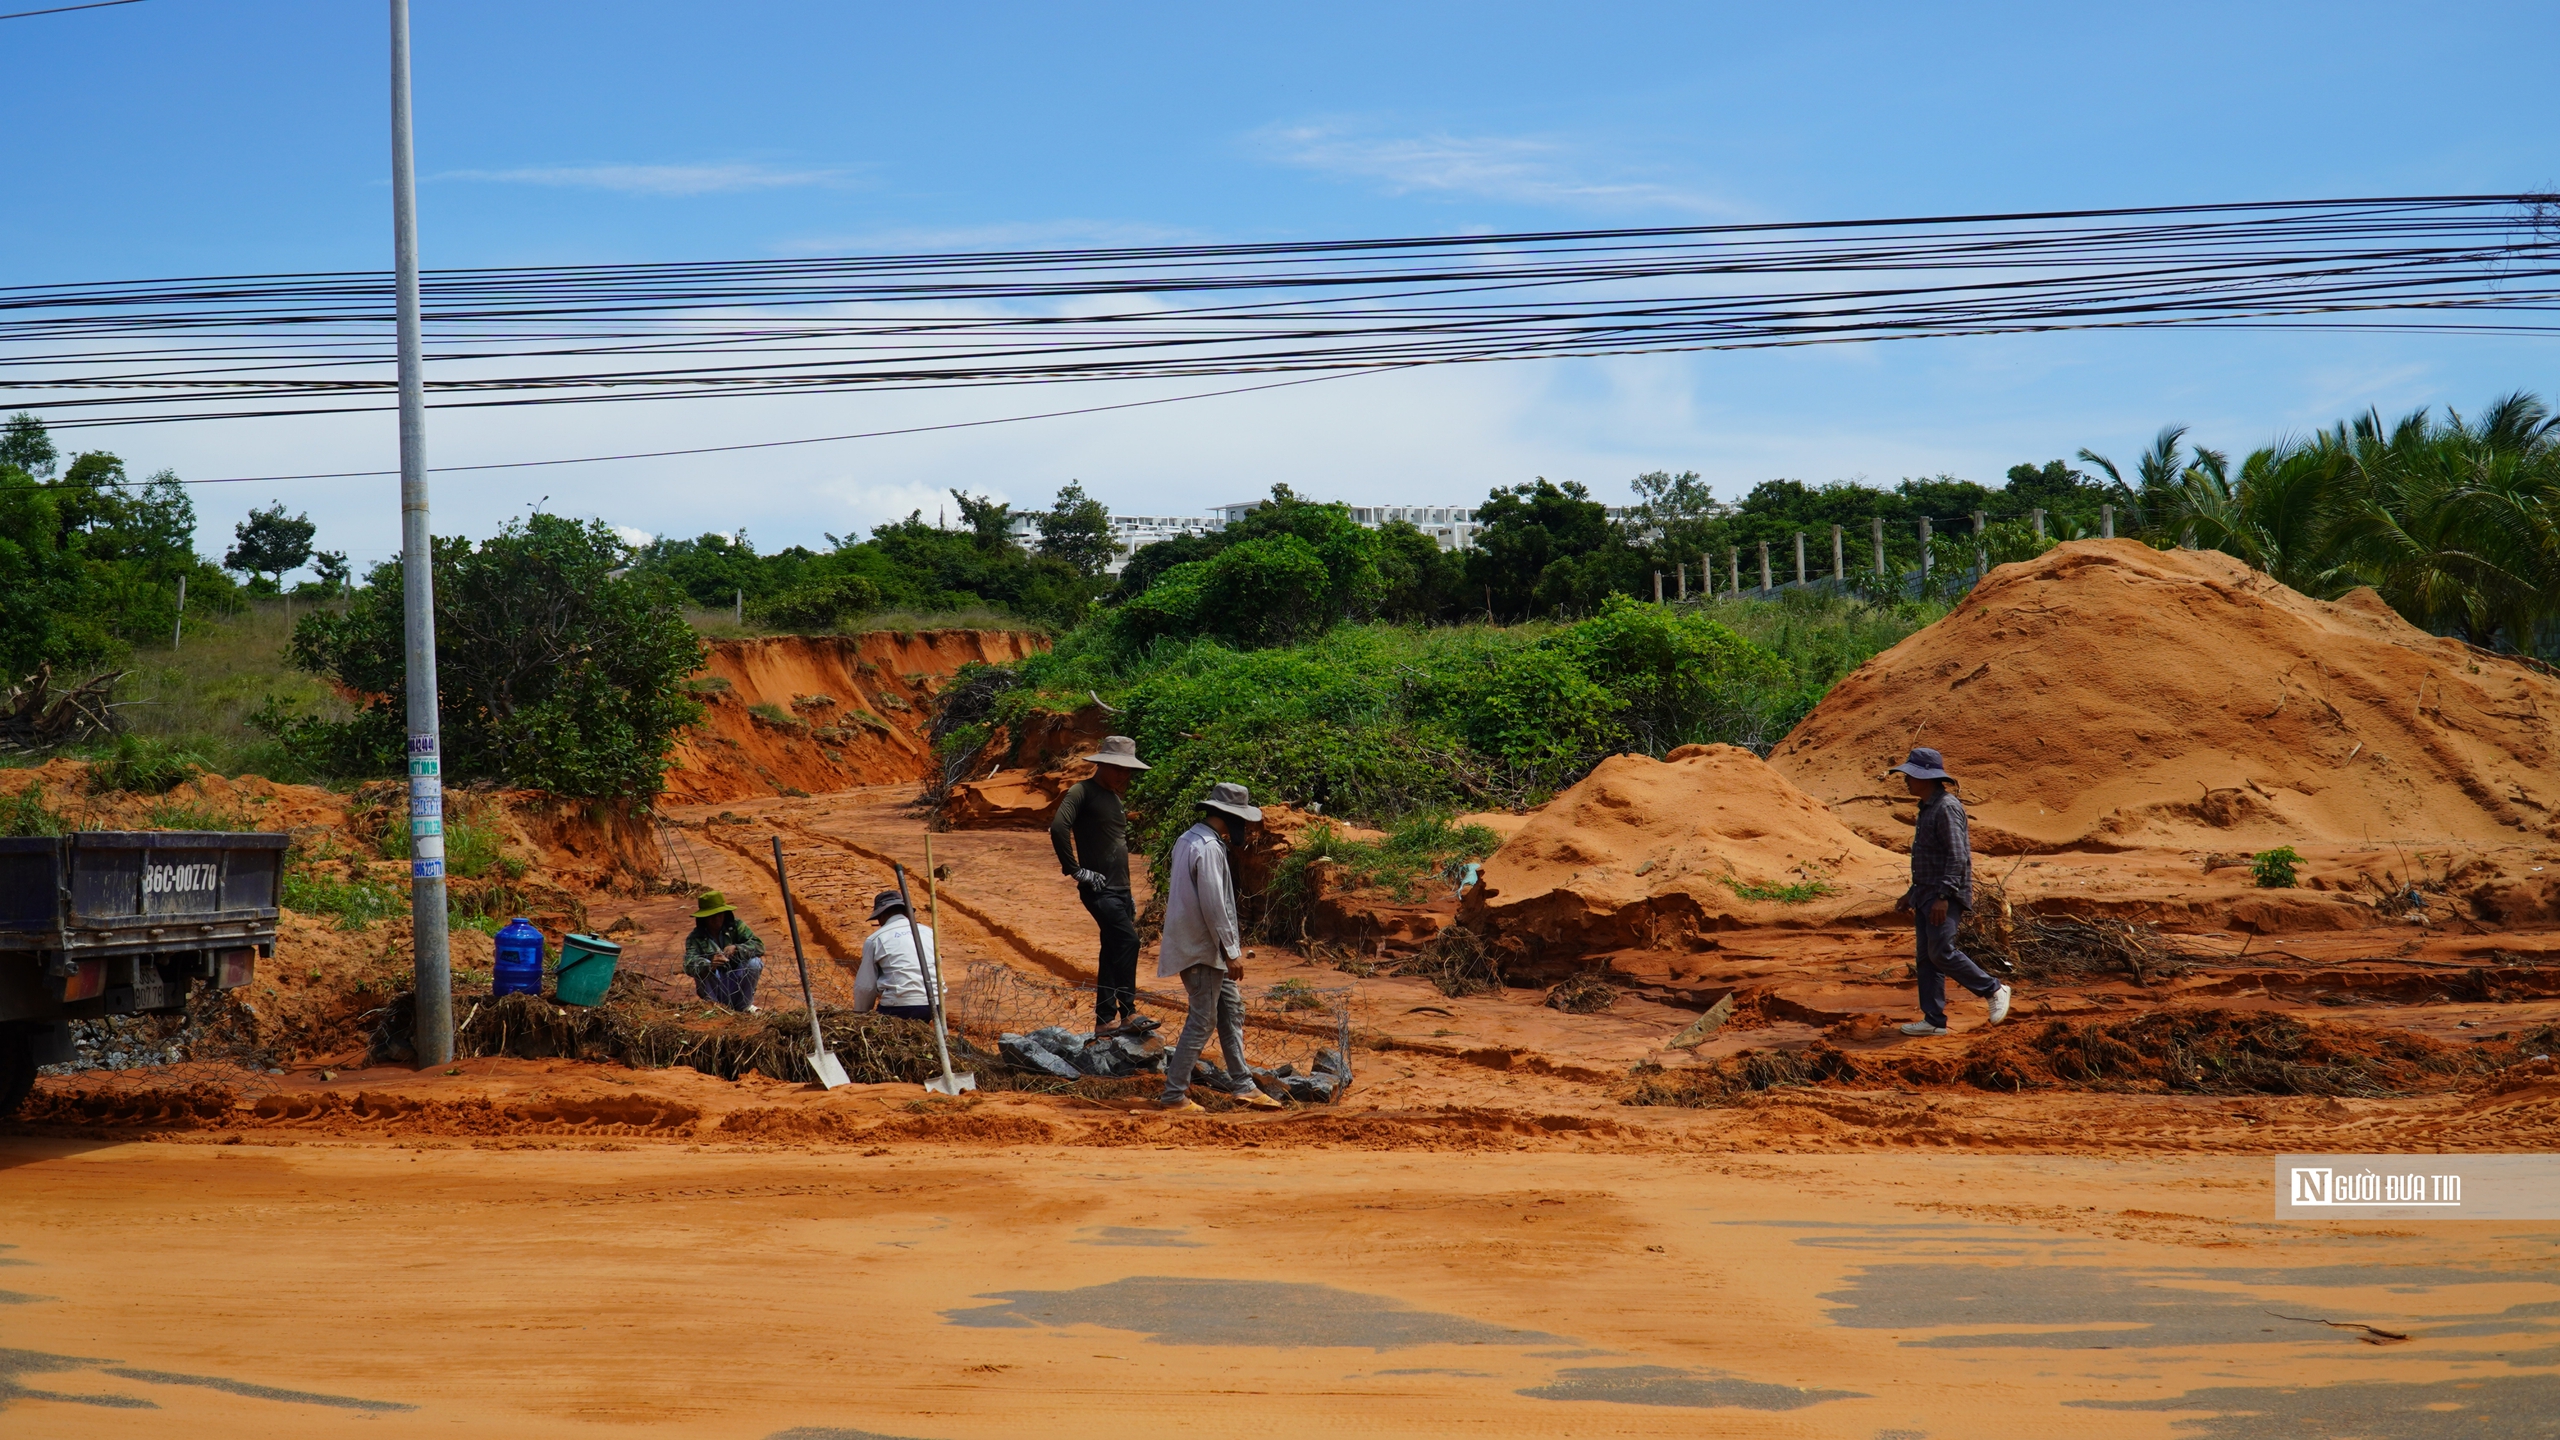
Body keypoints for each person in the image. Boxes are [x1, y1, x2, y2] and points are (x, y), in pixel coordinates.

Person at [1149, 782, 1285, 1112]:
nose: (1244, 827)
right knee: (1202, 1020)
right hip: (1202, 949)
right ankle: (1173, 1095)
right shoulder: (1208, 848)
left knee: (1231, 1010)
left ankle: (1243, 1086)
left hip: (1202, 946)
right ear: (1229, 816)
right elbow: (1214, 905)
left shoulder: (1190, 838)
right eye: (1242, 819)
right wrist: (1231, 951)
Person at [1889, 747, 2011, 1036]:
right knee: (1926, 957)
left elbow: (1957, 856)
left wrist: (1944, 896)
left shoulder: (1946, 806)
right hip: (1926, 893)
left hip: (1942, 895)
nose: (1906, 780)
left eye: (1911, 775)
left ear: (1927, 778)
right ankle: (1933, 1020)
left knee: (1941, 951)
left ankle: (1993, 988)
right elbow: (1931, 858)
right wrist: (1912, 893)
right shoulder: (1928, 807)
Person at [1052, 735, 1147, 1035]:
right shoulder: (1082, 791)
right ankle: (1129, 1012)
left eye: (1128, 770)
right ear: (1103, 764)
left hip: (1120, 890)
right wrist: (1077, 871)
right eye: (1119, 768)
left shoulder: (1114, 798)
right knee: (1128, 942)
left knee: (1111, 949)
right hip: (1098, 889)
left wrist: (1128, 893)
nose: (1124, 774)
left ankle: (1105, 1020)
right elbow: (1058, 827)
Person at [855, 889, 941, 1021]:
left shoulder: (876, 939)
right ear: (906, 912)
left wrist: (860, 1016)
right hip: (935, 1003)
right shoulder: (928, 932)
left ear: (881, 916)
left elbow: (865, 987)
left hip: (899, 1007)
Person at [681, 891, 765, 1011]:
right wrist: (709, 964)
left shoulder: (737, 927)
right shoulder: (695, 938)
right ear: (703, 918)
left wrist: (737, 948)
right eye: (711, 916)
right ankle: (715, 1008)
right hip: (715, 986)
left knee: (754, 963)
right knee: (702, 967)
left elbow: (759, 946)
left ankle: (744, 1006)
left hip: (738, 980)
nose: (716, 919)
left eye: (720, 914)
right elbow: (688, 964)